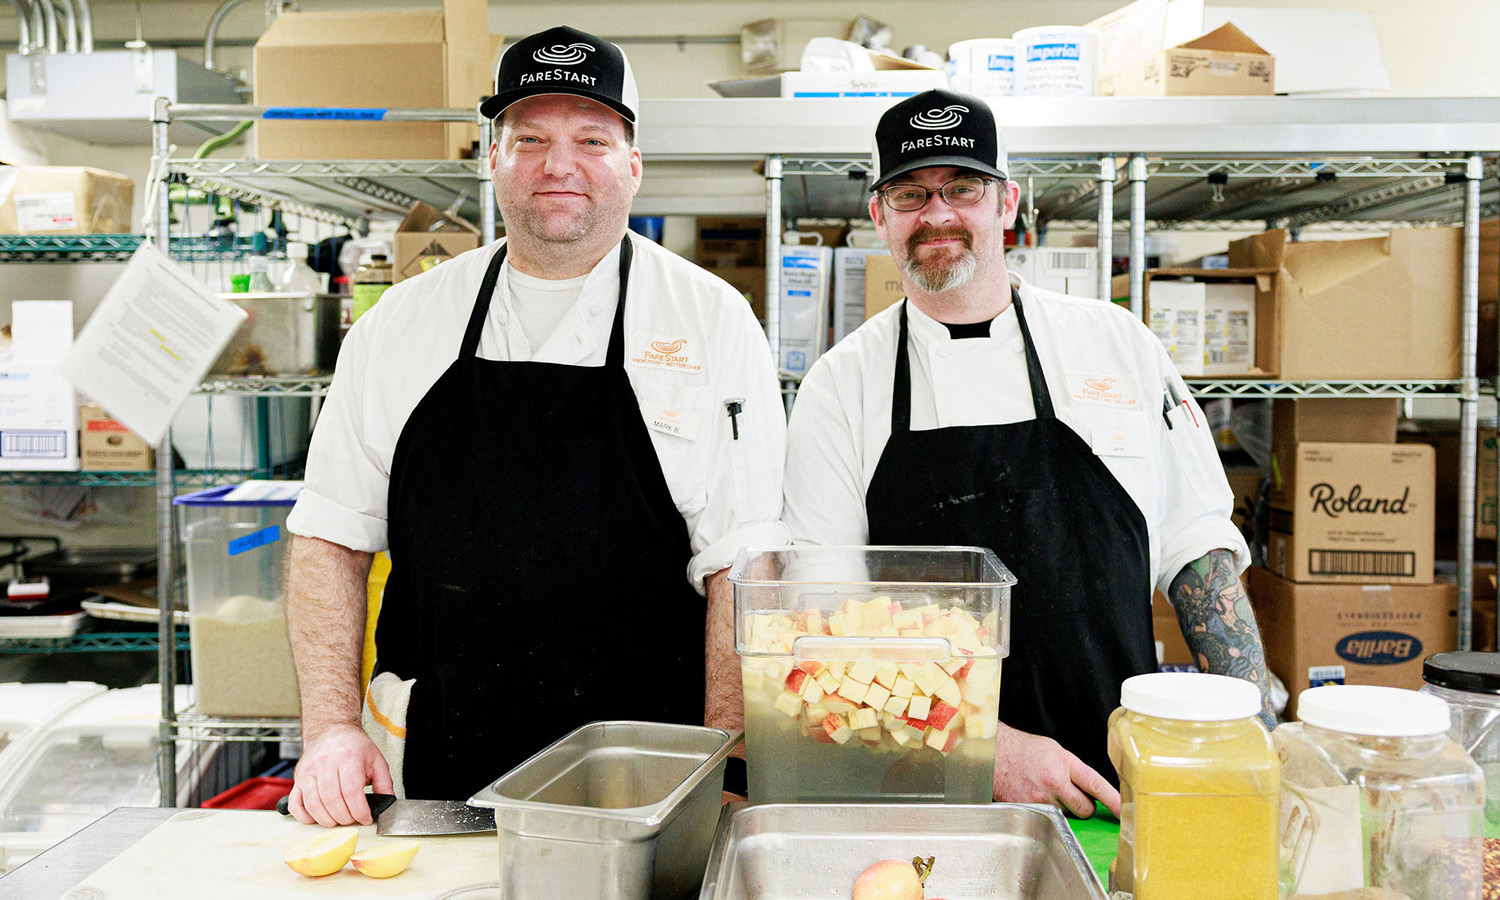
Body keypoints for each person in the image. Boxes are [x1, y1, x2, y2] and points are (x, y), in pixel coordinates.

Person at [282, 26, 787, 827]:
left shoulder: (712, 320)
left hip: (645, 773)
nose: (560, 165)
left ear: (633, 163)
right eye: (530, 139)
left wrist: (725, 755)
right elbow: (328, 538)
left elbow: (744, 563)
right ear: (492, 158)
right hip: (436, 760)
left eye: (592, 138)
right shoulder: (403, 323)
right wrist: (332, 730)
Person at [781, 89, 1273, 818]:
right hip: (922, 784)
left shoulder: (1117, 345)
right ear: (880, 217)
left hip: (1117, 782)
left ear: (1007, 203)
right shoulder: (839, 386)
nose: (938, 213)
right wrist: (987, 746)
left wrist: (1254, 733)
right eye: (911, 193)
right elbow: (826, 627)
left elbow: (1197, 550)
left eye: (963, 188)